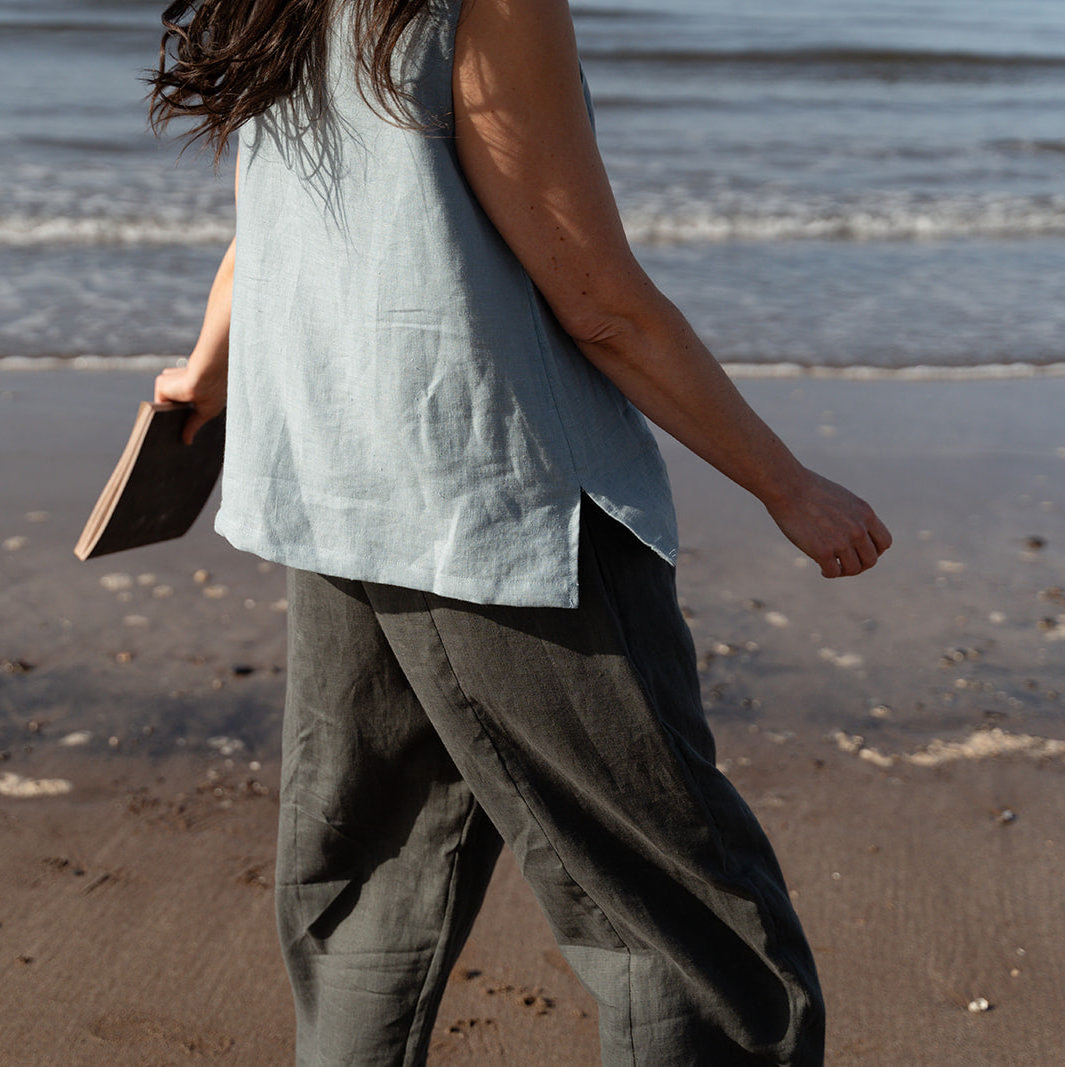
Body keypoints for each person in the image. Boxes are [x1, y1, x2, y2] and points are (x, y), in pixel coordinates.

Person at [149, 0, 891, 1062]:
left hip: (338, 486)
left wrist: (202, 374)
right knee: (691, 934)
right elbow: (594, 298)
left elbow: (266, 223)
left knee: (364, 893)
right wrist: (785, 482)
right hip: (501, 504)